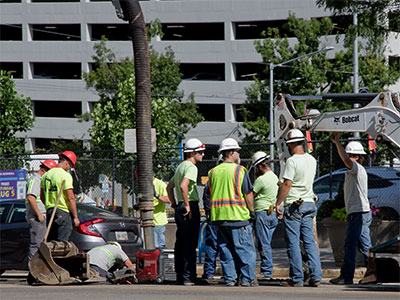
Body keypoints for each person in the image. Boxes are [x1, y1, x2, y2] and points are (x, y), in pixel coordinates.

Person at [207, 138, 257, 287]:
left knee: (225, 250)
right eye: (237, 151)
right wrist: (252, 211)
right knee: (245, 250)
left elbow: (209, 193)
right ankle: (247, 279)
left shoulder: (212, 172)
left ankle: (230, 279)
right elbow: (248, 193)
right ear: (230, 152)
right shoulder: (239, 170)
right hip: (238, 216)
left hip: (220, 217)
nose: (238, 154)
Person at [275, 129, 322, 287]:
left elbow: (287, 184)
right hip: (309, 203)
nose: (288, 147)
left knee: (293, 243)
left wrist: (277, 203)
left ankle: (297, 278)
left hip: (295, 205)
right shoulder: (312, 160)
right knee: (309, 242)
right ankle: (316, 275)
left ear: (292, 144)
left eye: (288, 144)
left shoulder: (292, 161)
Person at [329, 133, 372, 285]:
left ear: (357, 157)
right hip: (359, 213)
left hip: (358, 214)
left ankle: (347, 276)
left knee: (351, 245)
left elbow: (347, 161)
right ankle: (373, 274)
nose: (347, 159)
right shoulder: (355, 170)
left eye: (350, 156)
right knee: (365, 246)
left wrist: (337, 143)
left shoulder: (357, 169)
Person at [166, 138, 205, 286]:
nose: (203, 155)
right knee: (189, 243)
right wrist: (188, 206)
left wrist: (175, 204)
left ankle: (180, 275)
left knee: (180, 243)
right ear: (193, 152)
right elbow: (183, 186)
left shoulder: (180, 167)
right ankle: (189, 276)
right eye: (200, 152)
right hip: (189, 206)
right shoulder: (191, 167)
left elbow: (169, 187)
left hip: (180, 206)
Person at [251, 151, 279, 279]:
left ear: (260, 166)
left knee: (263, 243)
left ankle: (267, 271)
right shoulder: (274, 177)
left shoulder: (260, 180)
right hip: (272, 213)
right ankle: (267, 269)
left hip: (261, 213)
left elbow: (251, 195)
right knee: (266, 241)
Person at [41, 151, 80, 241]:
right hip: (62, 212)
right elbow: (70, 198)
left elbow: (42, 196)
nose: (69, 168)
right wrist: (75, 217)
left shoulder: (46, 175)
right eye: (70, 165)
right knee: (62, 243)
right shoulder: (65, 175)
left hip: (50, 211)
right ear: (67, 163)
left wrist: (49, 205)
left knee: (51, 242)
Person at [25, 159, 57, 260]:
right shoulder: (36, 180)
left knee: (41, 244)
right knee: (37, 245)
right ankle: (33, 270)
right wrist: (39, 214)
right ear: (44, 171)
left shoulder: (40, 180)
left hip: (40, 216)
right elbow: (31, 197)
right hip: (37, 218)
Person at [201, 154, 223, 280]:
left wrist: (208, 211)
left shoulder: (213, 174)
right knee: (226, 245)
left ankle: (209, 272)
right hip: (229, 216)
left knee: (212, 245)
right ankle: (229, 274)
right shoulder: (235, 173)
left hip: (214, 215)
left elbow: (206, 195)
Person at [152, 177, 171, 249]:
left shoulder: (160, 184)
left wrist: (157, 195)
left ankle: (161, 259)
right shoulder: (143, 184)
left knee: (159, 246)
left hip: (158, 222)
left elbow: (169, 199)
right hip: (146, 221)